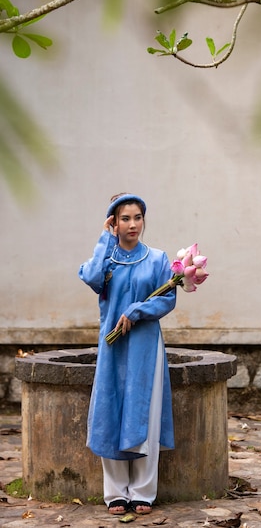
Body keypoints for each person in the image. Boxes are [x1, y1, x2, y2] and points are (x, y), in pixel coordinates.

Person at [79, 193, 176, 516]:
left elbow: (167, 300)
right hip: (113, 346)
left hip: (146, 345)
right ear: (114, 223)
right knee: (111, 411)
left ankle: (143, 492)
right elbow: (92, 278)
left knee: (145, 415)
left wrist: (137, 310)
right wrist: (105, 240)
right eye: (124, 219)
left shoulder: (158, 259)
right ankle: (115, 493)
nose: (132, 225)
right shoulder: (107, 260)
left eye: (137, 217)